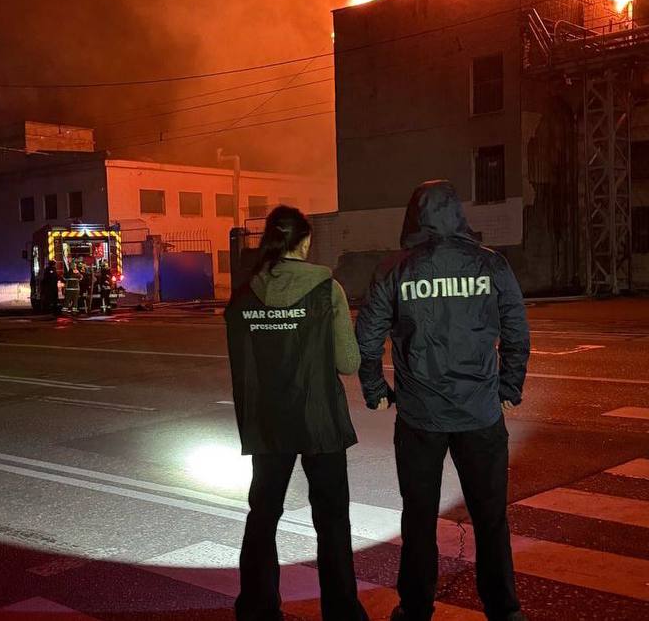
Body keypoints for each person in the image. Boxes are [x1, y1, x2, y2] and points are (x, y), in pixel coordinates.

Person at [357, 180, 529, 621]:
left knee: (419, 518)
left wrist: (376, 390)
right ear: (458, 213)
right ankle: (504, 610)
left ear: (414, 216)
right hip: (480, 413)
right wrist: (509, 387)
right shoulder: (490, 264)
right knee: (490, 517)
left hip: (420, 416)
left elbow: (368, 337)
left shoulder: (395, 269)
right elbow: (516, 329)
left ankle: (415, 608)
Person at [225, 205, 369, 621]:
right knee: (332, 519)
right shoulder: (327, 289)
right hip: (318, 417)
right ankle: (342, 612)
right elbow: (347, 362)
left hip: (267, 420)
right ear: (304, 242)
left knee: (263, 514)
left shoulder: (244, 292)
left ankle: (257, 608)